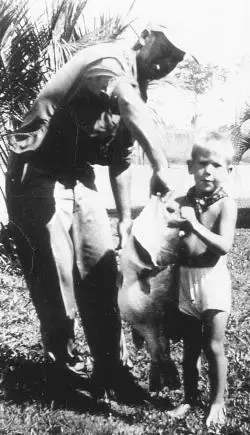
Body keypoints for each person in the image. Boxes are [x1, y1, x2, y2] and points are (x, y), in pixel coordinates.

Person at [6, 24, 188, 403]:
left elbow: (120, 160)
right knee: (56, 283)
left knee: (103, 273)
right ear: (145, 38)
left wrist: (124, 219)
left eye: (176, 58)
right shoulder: (107, 61)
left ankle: (112, 372)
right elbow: (128, 104)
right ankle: (64, 376)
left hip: (79, 178)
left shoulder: (138, 90)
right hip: (36, 174)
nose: (167, 62)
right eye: (165, 50)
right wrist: (160, 164)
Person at [167, 129, 237, 426]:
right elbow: (165, 228)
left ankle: (217, 402)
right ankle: (188, 398)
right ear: (190, 166)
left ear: (229, 170)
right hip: (185, 281)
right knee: (190, 347)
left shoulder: (225, 205)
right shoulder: (182, 200)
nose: (208, 171)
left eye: (217, 165)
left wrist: (193, 224)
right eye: (202, 163)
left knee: (213, 346)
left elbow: (223, 246)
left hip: (212, 282)